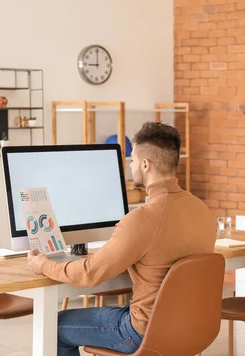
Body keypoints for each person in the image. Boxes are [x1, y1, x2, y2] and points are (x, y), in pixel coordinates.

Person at [27, 122, 216, 355]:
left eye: (133, 160)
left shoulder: (142, 219)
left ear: (146, 165)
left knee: (52, 326)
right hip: (191, 326)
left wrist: (43, 264)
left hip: (145, 331)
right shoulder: (203, 211)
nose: (132, 166)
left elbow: (90, 274)